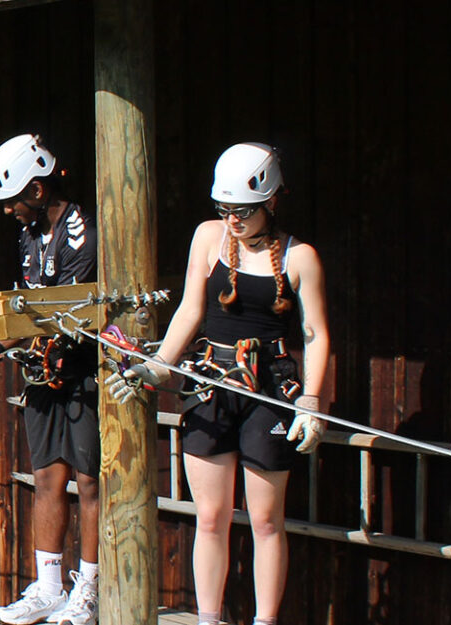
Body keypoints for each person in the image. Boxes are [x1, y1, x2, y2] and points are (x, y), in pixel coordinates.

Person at [107, 142, 331, 625]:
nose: (233, 220)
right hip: (212, 381)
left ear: (271, 202)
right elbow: (191, 308)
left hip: (269, 390)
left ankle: (265, 621)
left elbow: (314, 333)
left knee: (267, 521)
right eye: (224, 209)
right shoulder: (209, 237)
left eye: (243, 211)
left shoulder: (299, 257)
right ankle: (210, 619)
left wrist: (311, 400)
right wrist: (160, 365)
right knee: (210, 517)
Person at [0, 134, 103, 625]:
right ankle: (49, 585)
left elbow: (62, 312)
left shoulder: (83, 233)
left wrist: (0, 341)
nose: (8, 212)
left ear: (35, 190)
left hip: (84, 372)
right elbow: (27, 304)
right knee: (49, 476)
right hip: (43, 373)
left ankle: (88, 590)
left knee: (90, 481)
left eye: (12, 201)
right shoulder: (30, 236)